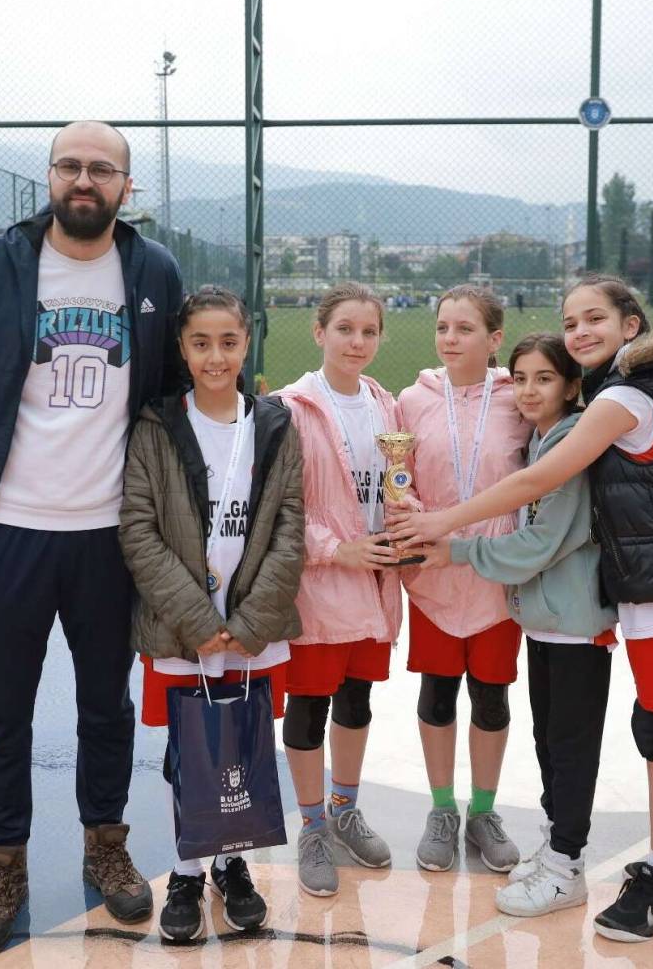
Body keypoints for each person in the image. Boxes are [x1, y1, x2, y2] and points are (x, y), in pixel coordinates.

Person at [390, 279, 653, 945]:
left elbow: (536, 484)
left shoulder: (621, 397)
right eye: (570, 321)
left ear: (631, 325)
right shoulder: (643, 384)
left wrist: (445, 529)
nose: (580, 330)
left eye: (594, 319)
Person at [0, 121, 184, 953]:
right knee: (2, 708)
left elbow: (169, 394)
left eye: (101, 169)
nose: (84, 180)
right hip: (9, 528)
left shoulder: (153, 270)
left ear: (125, 186)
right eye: (69, 166)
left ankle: (105, 844)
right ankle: (2, 863)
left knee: (106, 703)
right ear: (47, 177)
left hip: (111, 532)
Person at [120, 285, 306, 941]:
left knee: (241, 748)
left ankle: (231, 864)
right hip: (182, 630)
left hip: (253, 629)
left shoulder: (275, 425)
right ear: (181, 348)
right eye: (200, 343)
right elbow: (137, 530)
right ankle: (186, 870)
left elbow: (290, 528)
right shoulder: (155, 427)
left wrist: (250, 623)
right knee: (188, 751)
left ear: (246, 343)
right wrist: (198, 622)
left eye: (228, 341)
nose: (215, 356)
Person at [414, 333, 618, 919]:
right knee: (550, 743)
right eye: (521, 378)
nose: (528, 390)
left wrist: (456, 549)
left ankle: (567, 867)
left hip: (577, 621)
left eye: (544, 378)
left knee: (571, 749)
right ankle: (556, 851)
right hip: (547, 620)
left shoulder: (570, 441)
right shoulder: (541, 438)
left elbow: (539, 544)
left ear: (572, 386)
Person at [274, 282, 404, 897]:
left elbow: (397, 485)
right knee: (309, 707)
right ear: (319, 332)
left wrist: (408, 519)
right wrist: (337, 550)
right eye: (345, 329)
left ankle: (345, 808)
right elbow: (278, 510)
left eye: (369, 331)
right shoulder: (289, 408)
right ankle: (311, 826)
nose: (358, 342)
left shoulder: (385, 405)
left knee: (357, 702)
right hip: (320, 588)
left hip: (376, 584)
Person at [394, 286, 530, 874]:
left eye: (465, 329)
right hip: (434, 579)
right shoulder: (412, 399)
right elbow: (399, 479)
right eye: (443, 327)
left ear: (494, 339)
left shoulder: (518, 400)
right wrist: (409, 523)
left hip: (497, 578)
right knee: (437, 693)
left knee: (492, 697)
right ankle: (443, 809)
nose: (450, 339)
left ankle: (484, 812)